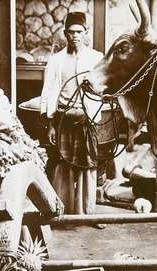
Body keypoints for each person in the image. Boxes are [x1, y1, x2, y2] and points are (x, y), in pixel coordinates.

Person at [40, 11, 105, 228]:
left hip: (87, 118)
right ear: (65, 34)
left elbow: (104, 88)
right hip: (63, 119)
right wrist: (49, 123)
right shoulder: (56, 60)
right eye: (71, 32)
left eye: (79, 32)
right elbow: (48, 91)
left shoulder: (96, 59)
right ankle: (62, 214)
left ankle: (87, 214)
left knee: (88, 165)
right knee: (63, 165)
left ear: (85, 33)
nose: (75, 36)